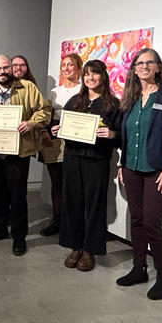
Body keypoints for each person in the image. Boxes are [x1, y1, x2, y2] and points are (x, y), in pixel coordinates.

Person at [116, 48, 162, 300]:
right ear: (134, 68)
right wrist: (121, 165)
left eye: (149, 62)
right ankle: (139, 268)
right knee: (136, 219)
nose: (144, 66)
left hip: (160, 169)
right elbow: (125, 134)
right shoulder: (131, 98)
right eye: (139, 63)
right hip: (131, 169)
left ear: (158, 66)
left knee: (151, 223)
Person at [51, 60, 121, 270]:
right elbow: (65, 125)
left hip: (97, 159)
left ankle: (90, 250)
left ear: (103, 76)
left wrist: (112, 134)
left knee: (94, 204)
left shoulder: (113, 104)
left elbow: (120, 136)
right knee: (72, 202)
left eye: (95, 73)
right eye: (87, 74)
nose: (90, 78)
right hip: (73, 157)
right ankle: (75, 246)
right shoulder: (75, 101)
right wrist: (57, 130)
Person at [0, 54, 51, 256]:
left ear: (11, 68)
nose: (1, 72)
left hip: (18, 153)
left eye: (5, 68)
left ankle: (19, 237)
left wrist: (31, 123)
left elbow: (44, 111)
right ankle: (0, 229)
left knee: (18, 196)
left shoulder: (28, 88)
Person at [39, 53, 83, 236]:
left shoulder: (83, 90)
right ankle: (57, 219)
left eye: (70, 65)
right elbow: (48, 114)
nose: (66, 68)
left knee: (73, 182)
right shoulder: (55, 91)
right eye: (63, 65)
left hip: (74, 137)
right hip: (55, 136)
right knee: (56, 181)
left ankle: (72, 222)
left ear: (79, 68)